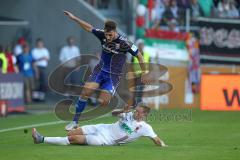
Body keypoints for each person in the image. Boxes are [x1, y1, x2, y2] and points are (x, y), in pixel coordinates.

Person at [63, 11, 149, 131]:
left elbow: (139, 55)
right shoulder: (102, 34)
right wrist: (74, 18)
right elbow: (89, 27)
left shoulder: (125, 43)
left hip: (113, 76)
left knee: (103, 103)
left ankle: (116, 109)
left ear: (115, 31)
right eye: (106, 35)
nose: (108, 38)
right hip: (100, 70)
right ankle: (75, 121)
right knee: (85, 91)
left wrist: (144, 72)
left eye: (110, 35)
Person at [32, 103, 167, 147]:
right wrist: (122, 111)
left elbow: (156, 139)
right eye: (136, 110)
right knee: (70, 133)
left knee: (72, 139)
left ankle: (41, 139)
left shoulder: (145, 128)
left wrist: (164, 146)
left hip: (105, 140)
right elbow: (113, 114)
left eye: (138, 112)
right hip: (103, 127)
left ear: (144, 115)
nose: (136, 112)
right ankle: (44, 139)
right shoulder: (129, 114)